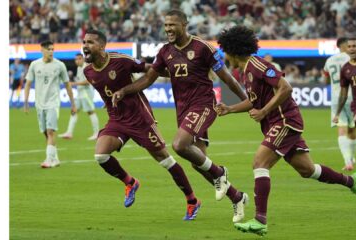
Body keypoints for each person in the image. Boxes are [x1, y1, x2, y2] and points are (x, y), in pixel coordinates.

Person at [216, 25, 356, 236]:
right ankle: (352, 181)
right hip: (276, 122)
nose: (225, 56)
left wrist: (264, 111)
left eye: (225, 51)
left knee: (259, 163)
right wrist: (230, 109)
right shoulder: (247, 70)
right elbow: (254, 101)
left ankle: (260, 220)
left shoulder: (257, 65)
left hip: (285, 120)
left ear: (232, 49)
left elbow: (286, 87)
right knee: (308, 170)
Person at [112, 9, 249, 223]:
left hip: (204, 105)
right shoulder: (165, 51)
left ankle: (221, 173)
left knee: (179, 144)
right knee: (198, 162)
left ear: (184, 25)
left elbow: (228, 78)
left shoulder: (202, 48)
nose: (168, 29)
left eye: (172, 25)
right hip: (183, 110)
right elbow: (148, 79)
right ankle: (237, 197)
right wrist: (125, 90)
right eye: (165, 25)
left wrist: (247, 102)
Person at [82, 28, 201, 220]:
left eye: (90, 42)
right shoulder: (88, 72)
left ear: (102, 46)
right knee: (100, 155)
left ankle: (192, 201)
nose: (85, 46)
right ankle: (130, 182)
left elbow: (150, 69)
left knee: (166, 161)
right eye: (84, 42)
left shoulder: (120, 60)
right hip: (117, 120)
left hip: (140, 119)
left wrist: (177, 74)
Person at [24, 40, 77, 168]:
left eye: (53, 49)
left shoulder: (60, 65)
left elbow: (67, 85)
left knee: (50, 131)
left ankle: (48, 160)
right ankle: (56, 158)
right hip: (39, 104)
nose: (51, 51)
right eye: (49, 49)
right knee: (46, 133)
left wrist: (73, 104)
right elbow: (28, 84)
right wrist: (26, 103)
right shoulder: (34, 65)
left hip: (53, 103)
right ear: (42, 50)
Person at [334, 37, 356, 178]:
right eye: (349, 46)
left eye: (355, 46)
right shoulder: (346, 69)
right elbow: (343, 94)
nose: (352, 49)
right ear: (346, 49)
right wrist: (337, 113)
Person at [323, 37, 356, 171]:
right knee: (352, 129)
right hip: (353, 95)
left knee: (341, 128)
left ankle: (347, 161)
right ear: (345, 46)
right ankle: (351, 157)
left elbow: (325, 80)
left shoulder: (329, 60)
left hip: (336, 97)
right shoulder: (352, 58)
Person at [58, 53, 99, 140]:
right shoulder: (79, 68)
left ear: (83, 59)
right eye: (76, 59)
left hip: (86, 94)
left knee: (90, 112)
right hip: (80, 93)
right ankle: (69, 133)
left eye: (79, 59)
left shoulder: (86, 68)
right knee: (74, 111)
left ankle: (96, 133)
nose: (77, 61)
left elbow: (89, 81)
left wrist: (74, 83)